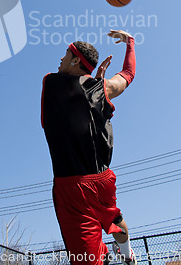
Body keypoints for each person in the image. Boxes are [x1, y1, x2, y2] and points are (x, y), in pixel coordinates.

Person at [41, 29, 137, 265]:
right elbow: (128, 74)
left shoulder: (51, 82)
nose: (60, 59)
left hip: (72, 187)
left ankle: (108, 254)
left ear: (75, 60)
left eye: (65, 54)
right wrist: (130, 43)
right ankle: (127, 254)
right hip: (102, 178)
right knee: (114, 220)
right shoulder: (101, 89)